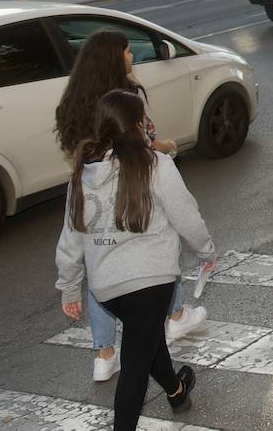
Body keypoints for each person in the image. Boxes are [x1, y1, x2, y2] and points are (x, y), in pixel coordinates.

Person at [56, 89, 215, 429]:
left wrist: (70, 287)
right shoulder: (156, 164)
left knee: (146, 340)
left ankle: (176, 392)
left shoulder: (82, 176)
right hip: (151, 282)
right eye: (144, 118)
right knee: (134, 370)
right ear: (136, 125)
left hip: (108, 291)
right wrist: (206, 251)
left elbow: (71, 238)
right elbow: (186, 215)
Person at [54, 30, 200, 383]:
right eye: (126, 52)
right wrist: (170, 147)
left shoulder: (72, 99)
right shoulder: (128, 96)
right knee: (155, 244)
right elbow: (146, 141)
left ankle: (104, 354)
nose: (131, 56)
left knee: (99, 265)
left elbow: (73, 149)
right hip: (131, 186)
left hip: (90, 188)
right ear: (114, 59)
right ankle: (176, 315)